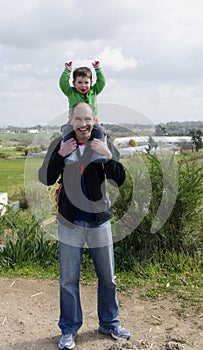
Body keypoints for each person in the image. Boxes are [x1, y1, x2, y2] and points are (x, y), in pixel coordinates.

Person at [38, 102, 131, 350]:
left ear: (94, 120)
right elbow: (45, 178)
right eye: (78, 119)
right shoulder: (59, 145)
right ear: (71, 121)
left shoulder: (103, 142)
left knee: (108, 277)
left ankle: (110, 322)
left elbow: (119, 179)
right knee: (68, 279)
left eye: (87, 119)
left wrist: (109, 156)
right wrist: (59, 155)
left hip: (99, 221)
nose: (83, 124)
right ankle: (69, 329)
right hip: (69, 222)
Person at [59, 60, 107, 163]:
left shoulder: (93, 91)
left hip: (92, 122)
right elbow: (62, 83)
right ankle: (71, 154)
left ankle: (97, 153)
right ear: (74, 83)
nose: (83, 86)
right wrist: (67, 70)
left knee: (100, 131)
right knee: (67, 131)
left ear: (91, 83)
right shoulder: (71, 92)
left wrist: (98, 69)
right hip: (73, 122)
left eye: (86, 82)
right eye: (79, 82)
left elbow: (102, 82)